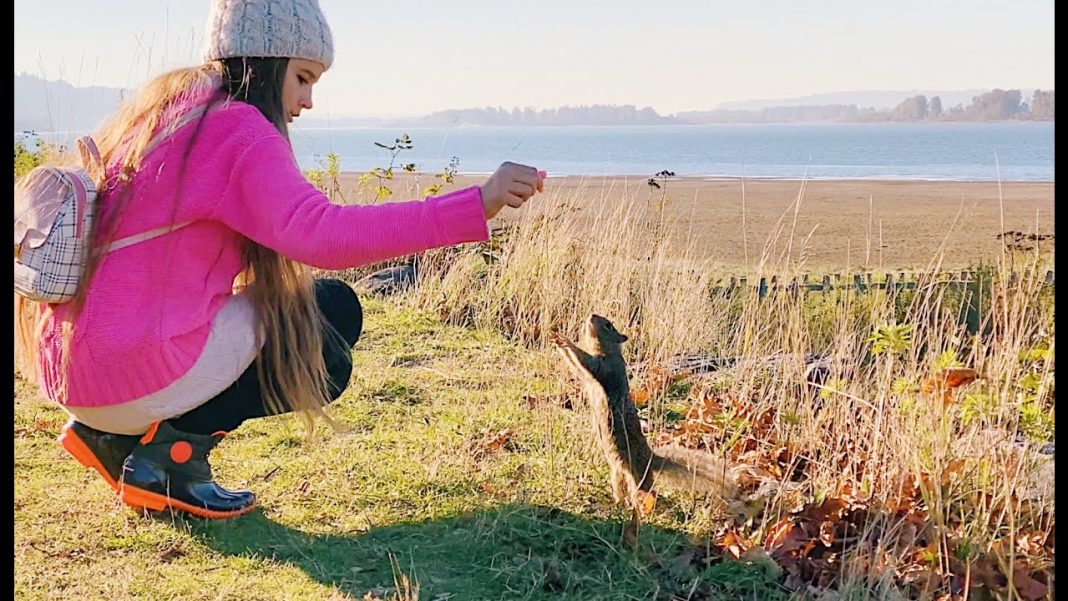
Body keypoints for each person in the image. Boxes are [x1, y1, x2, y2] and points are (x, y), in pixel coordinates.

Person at [13, 0, 544, 520]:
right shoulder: (236, 128)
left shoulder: (161, 114)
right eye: (304, 77)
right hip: (131, 375)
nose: (308, 100)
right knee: (329, 330)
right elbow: (326, 236)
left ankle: (112, 438)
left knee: (324, 306)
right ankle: (169, 462)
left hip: (71, 377)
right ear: (267, 64)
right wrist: (477, 204)